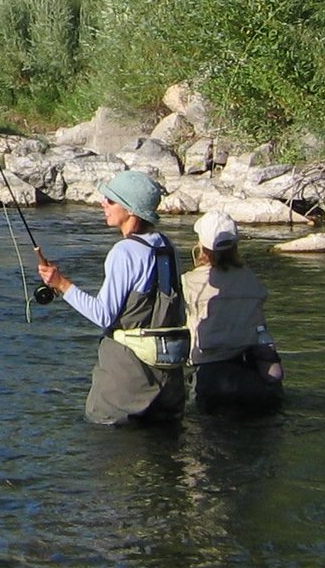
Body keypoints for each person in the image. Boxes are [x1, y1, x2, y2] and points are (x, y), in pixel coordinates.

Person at [34, 170, 186, 426]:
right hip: (170, 376)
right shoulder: (167, 247)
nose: (103, 204)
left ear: (131, 210)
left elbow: (103, 315)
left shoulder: (124, 252)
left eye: (111, 201)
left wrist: (61, 284)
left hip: (129, 377)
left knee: (110, 452)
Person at [181, 211, 284, 414]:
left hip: (207, 375)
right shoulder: (251, 279)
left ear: (200, 246)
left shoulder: (187, 282)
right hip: (249, 373)